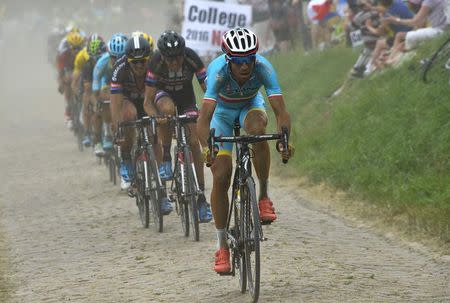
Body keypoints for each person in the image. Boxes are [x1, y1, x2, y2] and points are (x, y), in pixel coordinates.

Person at [197, 28, 294, 273]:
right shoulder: (217, 72)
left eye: (249, 59)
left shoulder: (264, 67)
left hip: (251, 105)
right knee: (221, 176)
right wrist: (206, 148)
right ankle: (222, 246)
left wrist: (283, 140)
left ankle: (263, 196)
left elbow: (280, 111)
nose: (245, 66)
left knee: (258, 131)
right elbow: (204, 117)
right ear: (229, 60)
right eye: (239, 61)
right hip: (222, 114)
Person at [143, 30, 213, 223]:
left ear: (183, 53)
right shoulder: (155, 62)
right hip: (162, 96)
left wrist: (208, 112)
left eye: (177, 58)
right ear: (163, 57)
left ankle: (201, 198)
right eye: (169, 59)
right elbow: (147, 102)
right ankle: (166, 156)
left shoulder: (192, 58)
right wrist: (156, 117)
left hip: (186, 98)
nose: (174, 63)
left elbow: (208, 91)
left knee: (193, 142)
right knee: (166, 109)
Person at [110, 36, 173, 214]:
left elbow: (164, 92)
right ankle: (127, 159)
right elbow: (115, 104)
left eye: (142, 62)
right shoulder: (120, 68)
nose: (139, 66)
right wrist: (118, 129)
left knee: (155, 141)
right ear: (128, 61)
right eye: (135, 63)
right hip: (128, 101)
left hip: (149, 101)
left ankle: (161, 193)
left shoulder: (155, 64)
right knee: (129, 116)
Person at [72, 33, 107, 154]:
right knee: (87, 102)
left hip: (104, 83)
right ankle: (87, 131)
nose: (98, 61)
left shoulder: (109, 58)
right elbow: (84, 86)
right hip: (89, 82)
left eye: (100, 57)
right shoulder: (84, 61)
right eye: (94, 58)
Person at [92, 33, 128, 151]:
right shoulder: (103, 60)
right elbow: (96, 79)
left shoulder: (129, 61)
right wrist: (97, 98)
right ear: (109, 53)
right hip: (106, 84)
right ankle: (107, 132)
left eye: (120, 56)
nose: (117, 60)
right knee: (106, 101)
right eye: (114, 57)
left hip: (123, 84)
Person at [384, 0, 448, 63]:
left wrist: (397, 20)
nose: (408, 5)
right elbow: (419, 24)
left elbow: (416, 22)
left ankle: (392, 60)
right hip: (442, 28)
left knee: (404, 38)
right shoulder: (428, 4)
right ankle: (392, 59)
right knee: (403, 41)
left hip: (441, 30)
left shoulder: (428, 2)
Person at [56, 31, 85, 128]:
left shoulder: (84, 54)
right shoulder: (63, 55)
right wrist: (61, 84)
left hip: (80, 70)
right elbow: (60, 73)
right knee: (67, 79)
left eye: (78, 48)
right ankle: (68, 111)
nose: (76, 51)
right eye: (73, 48)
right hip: (68, 70)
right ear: (69, 47)